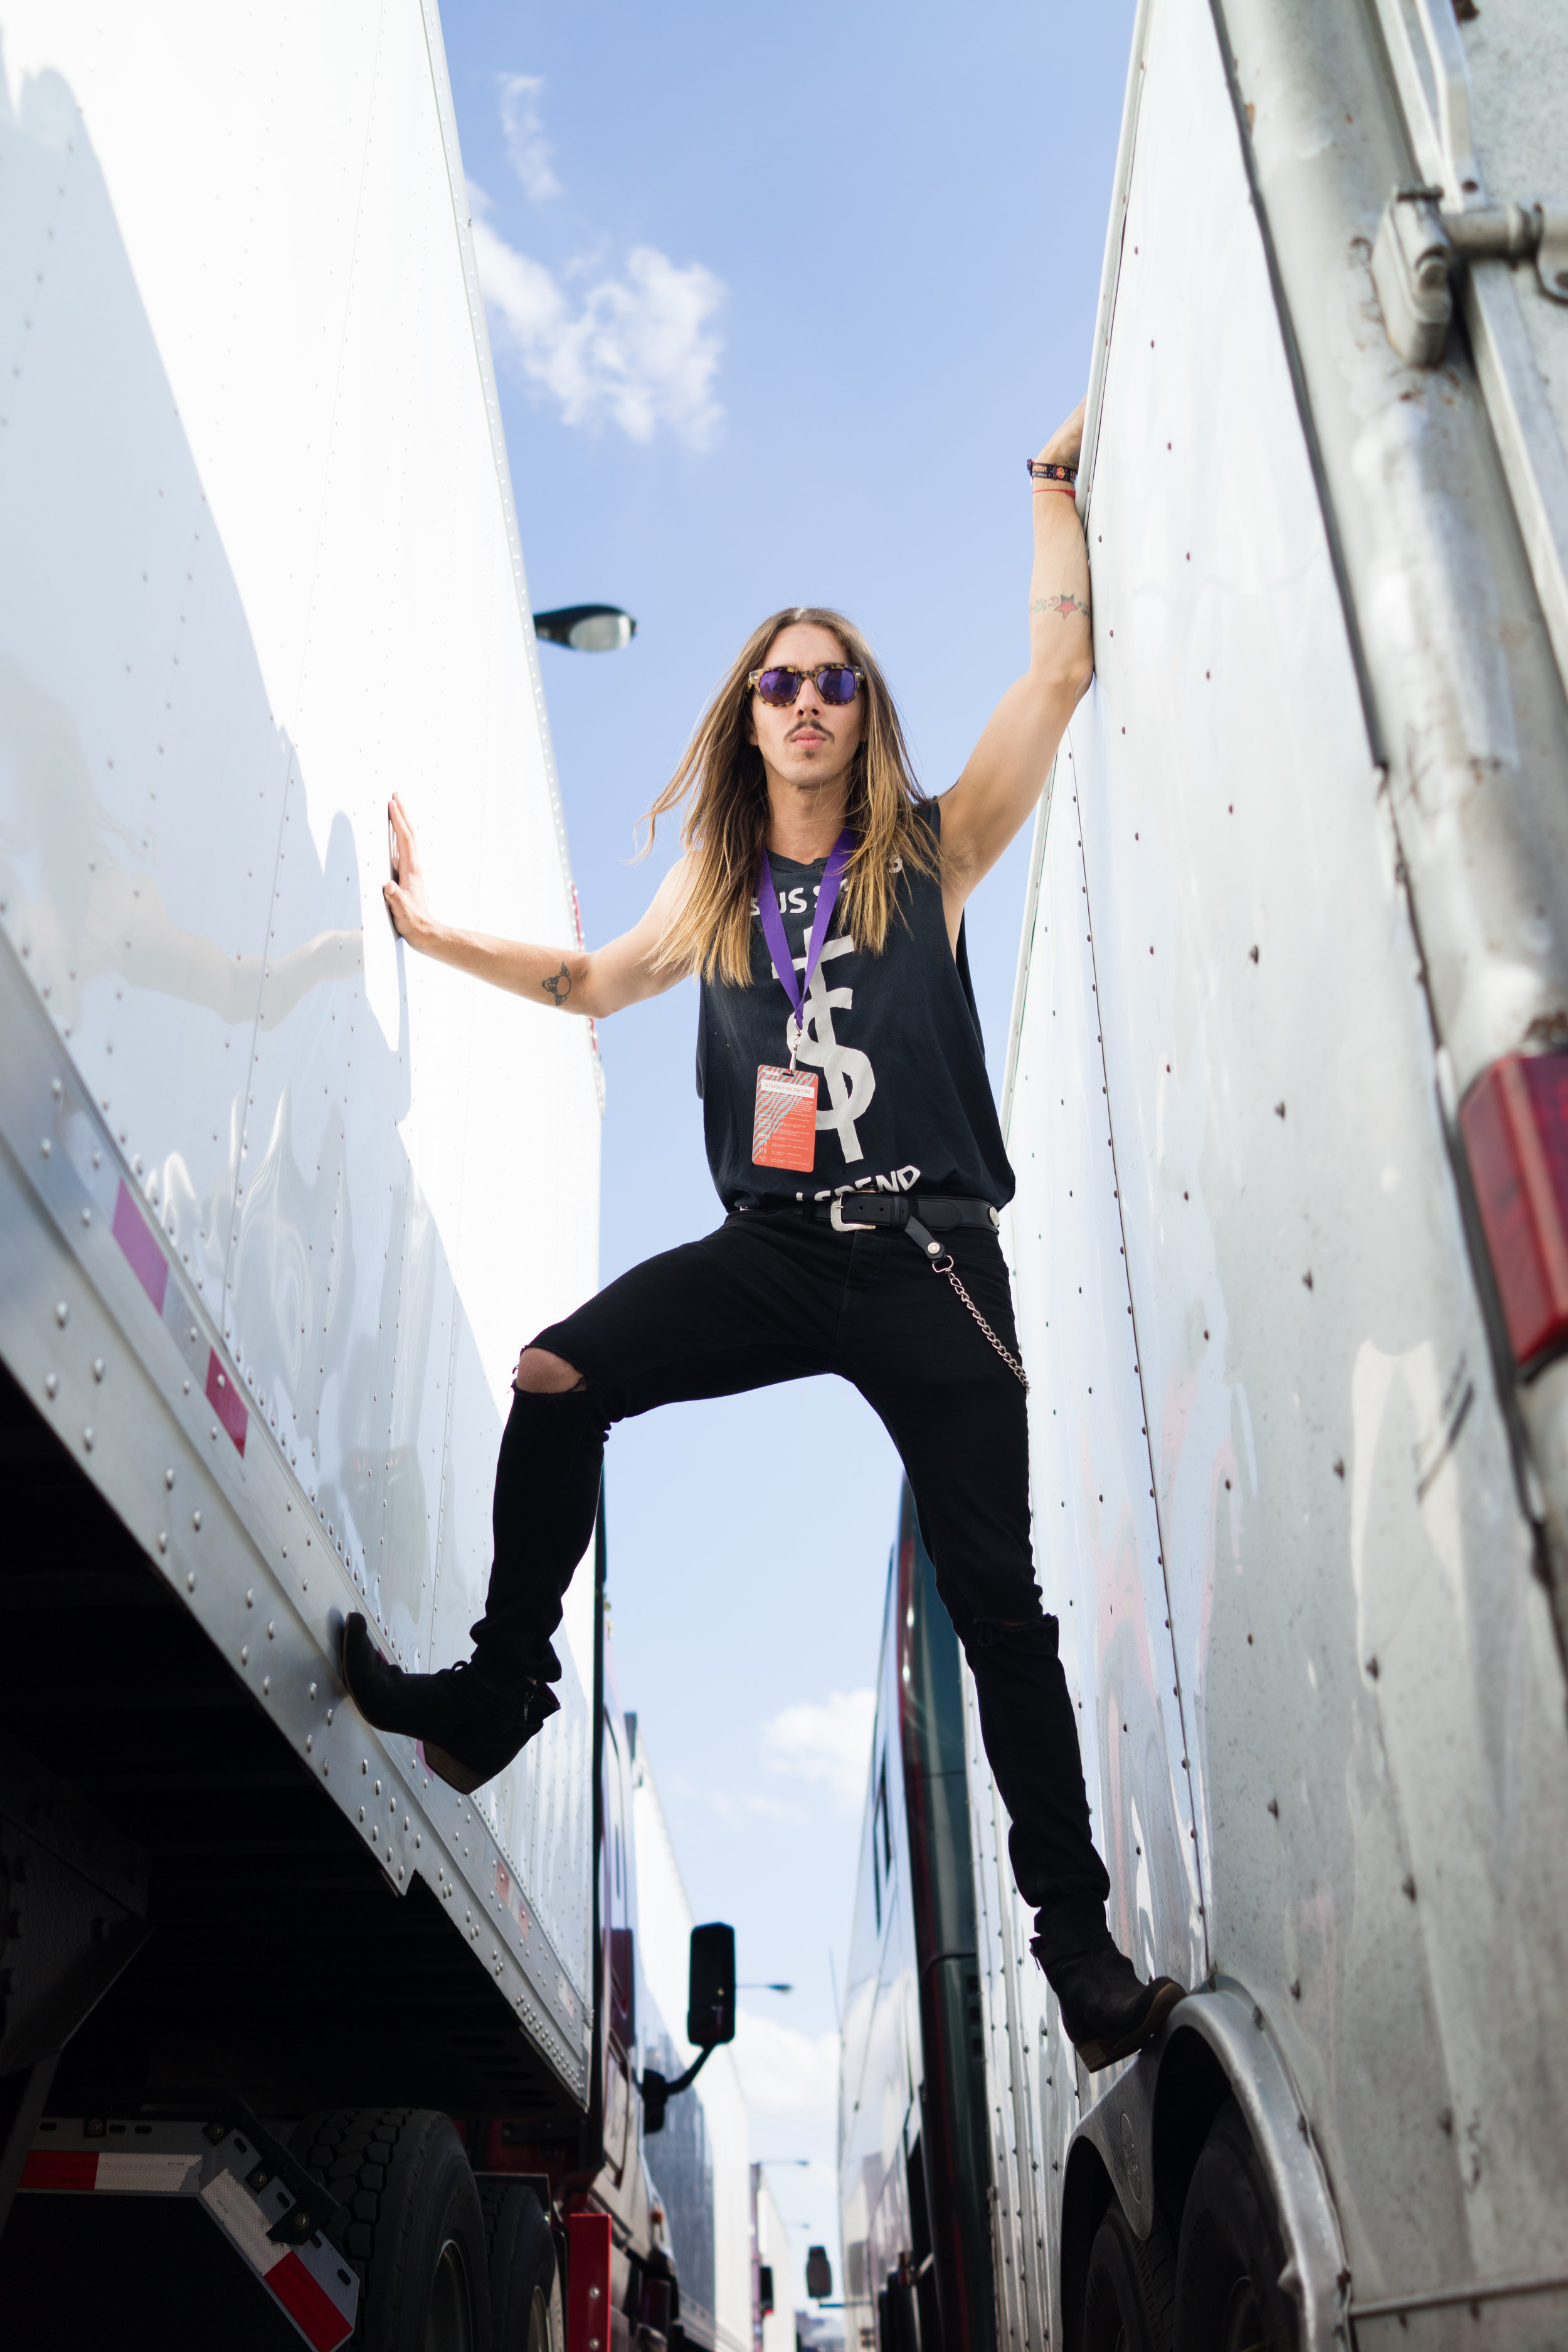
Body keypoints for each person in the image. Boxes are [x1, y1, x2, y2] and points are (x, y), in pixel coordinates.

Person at [342, 403, 1186, 2069]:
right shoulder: (715, 901)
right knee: (557, 1374)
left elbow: (1059, 674)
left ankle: (1075, 1943)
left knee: (994, 1601)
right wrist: (425, 929)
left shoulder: (929, 855)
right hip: (781, 1249)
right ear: (745, 716)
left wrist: (1044, 490)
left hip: (931, 1261)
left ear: (861, 713)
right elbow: (588, 986)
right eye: (777, 680)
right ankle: (503, 1694)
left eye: (834, 679)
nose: (804, 702)